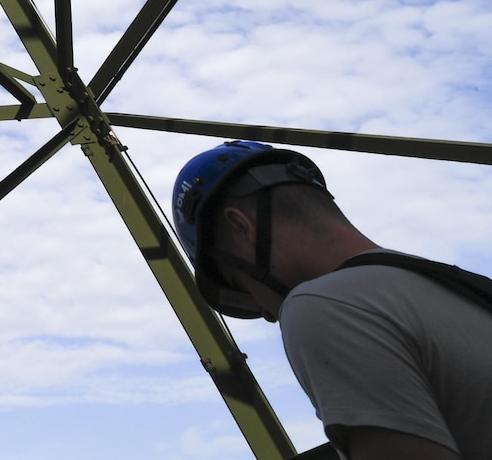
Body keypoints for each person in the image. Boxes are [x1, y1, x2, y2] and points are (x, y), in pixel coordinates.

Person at [173, 140, 492, 460]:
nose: (269, 313)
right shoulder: (455, 290)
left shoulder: (323, 305)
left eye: (238, 280)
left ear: (243, 227)